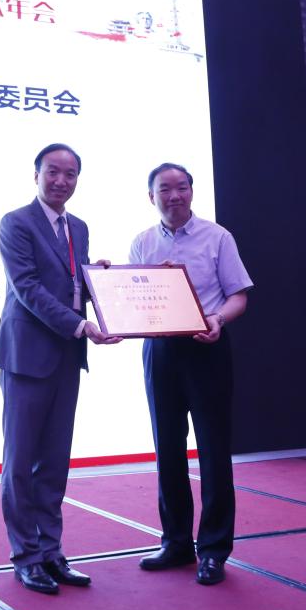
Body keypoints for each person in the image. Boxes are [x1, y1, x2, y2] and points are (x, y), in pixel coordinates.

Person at [0, 143, 120, 595]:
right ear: (36, 175)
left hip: (67, 355)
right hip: (28, 355)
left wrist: (97, 278)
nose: (61, 181)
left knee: (53, 462)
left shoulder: (78, 227)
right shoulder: (16, 222)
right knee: (20, 462)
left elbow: (68, 281)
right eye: (53, 171)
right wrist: (81, 325)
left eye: (70, 174)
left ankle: (51, 551)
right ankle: (26, 557)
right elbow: (28, 287)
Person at [127, 163, 252, 585]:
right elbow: (134, 302)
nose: (174, 195)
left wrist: (218, 319)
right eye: (165, 189)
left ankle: (214, 550)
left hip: (207, 346)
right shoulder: (142, 242)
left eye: (182, 187)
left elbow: (238, 296)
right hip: (160, 350)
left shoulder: (218, 237)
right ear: (152, 197)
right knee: (167, 448)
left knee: (213, 450)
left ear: (192, 192)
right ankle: (176, 542)